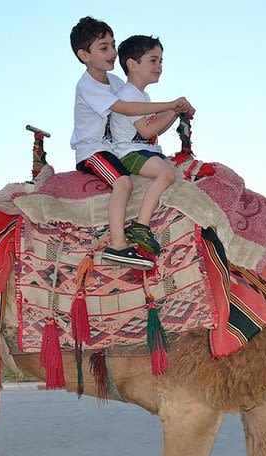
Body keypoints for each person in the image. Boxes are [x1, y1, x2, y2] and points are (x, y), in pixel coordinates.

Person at [70, 16, 192, 270]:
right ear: (84, 55)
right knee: (123, 182)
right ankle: (117, 244)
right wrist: (170, 104)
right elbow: (126, 108)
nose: (112, 52)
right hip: (93, 149)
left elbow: (138, 109)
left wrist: (173, 109)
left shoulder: (114, 82)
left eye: (113, 45)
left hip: (112, 147)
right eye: (104, 48)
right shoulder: (88, 86)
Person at [110, 35, 194, 256]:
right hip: (129, 152)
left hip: (141, 148)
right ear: (132, 64)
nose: (159, 66)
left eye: (161, 61)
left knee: (168, 172)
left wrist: (176, 111)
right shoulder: (128, 94)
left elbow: (154, 129)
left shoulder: (141, 95)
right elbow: (147, 131)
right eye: (153, 60)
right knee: (167, 174)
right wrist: (174, 109)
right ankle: (141, 225)